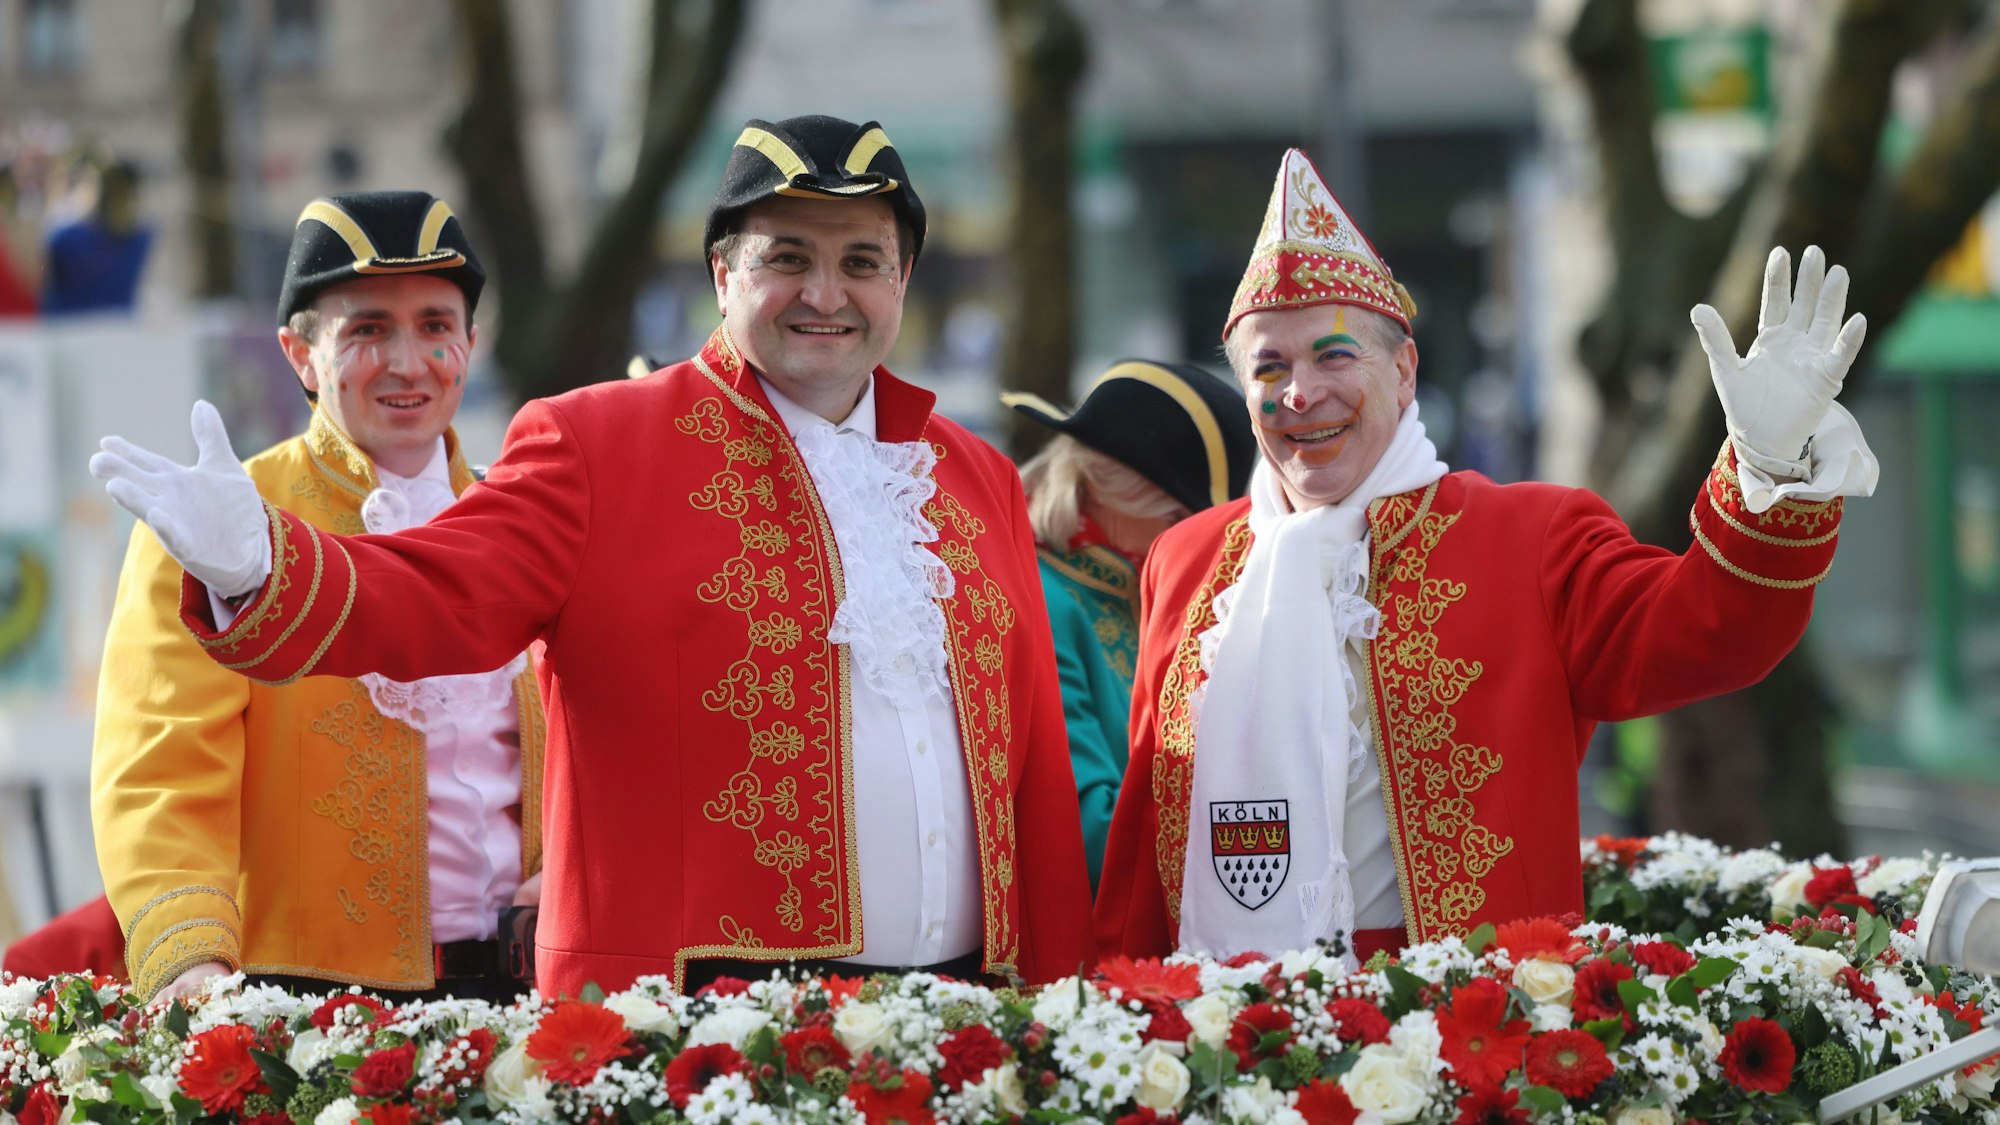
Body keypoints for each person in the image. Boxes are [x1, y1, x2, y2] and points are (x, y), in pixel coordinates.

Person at [90, 117, 1093, 996]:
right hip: (701, 1030)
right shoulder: (597, 443)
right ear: (722, 277)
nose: (824, 293)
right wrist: (260, 567)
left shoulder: (974, 477)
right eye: (785, 258)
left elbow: (1033, 772)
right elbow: (441, 594)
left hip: (968, 1019)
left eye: (861, 262)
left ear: (902, 278)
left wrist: (1058, 996)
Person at [1094, 149, 1878, 965]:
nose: (1299, 393)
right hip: (1229, 1032)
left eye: (1332, 356)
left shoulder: (1531, 536)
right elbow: (1146, 827)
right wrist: (1109, 1002)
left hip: (1468, 1038)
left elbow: (1711, 630)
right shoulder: (1186, 560)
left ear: (1403, 372)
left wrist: (1769, 467)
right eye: (1269, 367)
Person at [91, 190, 546, 1002]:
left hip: (530, 991)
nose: (408, 361)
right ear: (299, 355)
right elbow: (163, 761)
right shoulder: (221, 519)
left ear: (471, 344)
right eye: (368, 329)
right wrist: (190, 955)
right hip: (310, 1003)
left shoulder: (523, 516)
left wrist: (576, 878)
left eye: (436, 327)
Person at [1002, 361, 1256, 887]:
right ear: (1115, 488)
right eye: (1181, 520)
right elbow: (1087, 828)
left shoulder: (1131, 582)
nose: (1200, 544)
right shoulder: (1043, 600)